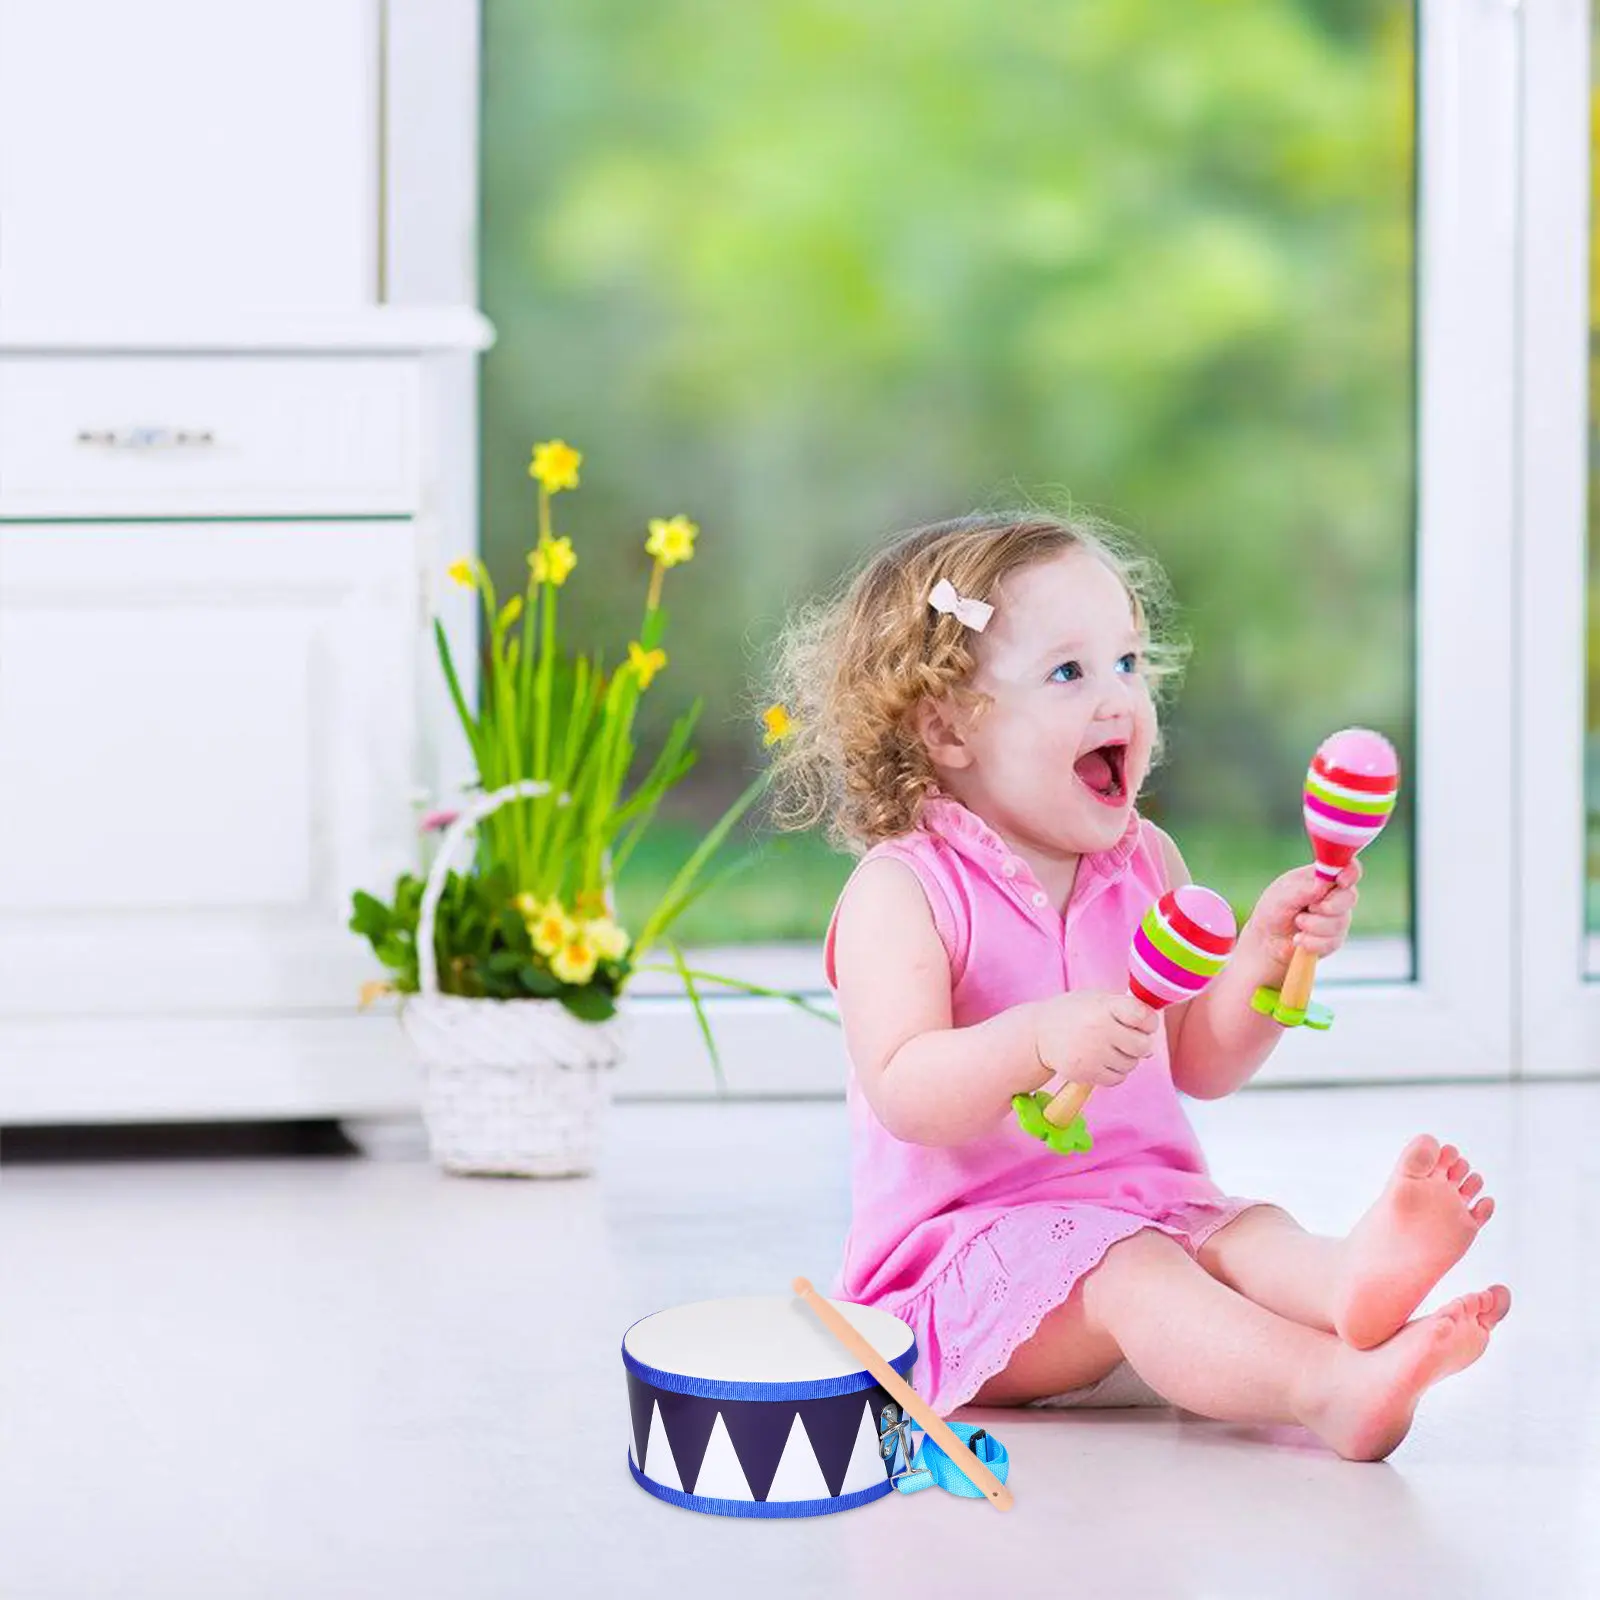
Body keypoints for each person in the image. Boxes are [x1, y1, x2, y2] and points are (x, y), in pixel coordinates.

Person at [763, 511, 1508, 1462]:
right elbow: (905, 1091)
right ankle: (1326, 1386)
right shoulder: (904, 889)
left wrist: (1266, 958)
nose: (1119, 697)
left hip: (1149, 1210)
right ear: (948, 727)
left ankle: (1344, 1283)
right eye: (1069, 673)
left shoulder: (1145, 862)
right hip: (962, 1273)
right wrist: (1036, 1038)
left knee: (1244, 1231)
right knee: (1135, 1267)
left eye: (1127, 662)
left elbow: (1199, 1061)